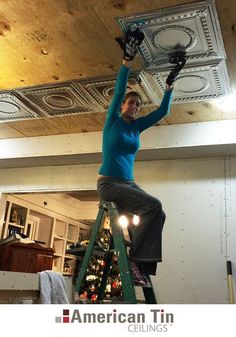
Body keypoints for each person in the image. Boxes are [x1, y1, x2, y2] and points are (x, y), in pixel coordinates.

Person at [97, 26, 185, 286]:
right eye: (130, 102)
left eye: (137, 104)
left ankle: (140, 266)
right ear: (121, 105)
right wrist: (128, 59)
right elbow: (120, 84)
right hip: (110, 184)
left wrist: (170, 86)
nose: (134, 106)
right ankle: (136, 260)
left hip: (129, 183)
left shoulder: (136, 127)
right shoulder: (113, 121)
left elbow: (161, 113)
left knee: (159, 214)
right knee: (154, 206)